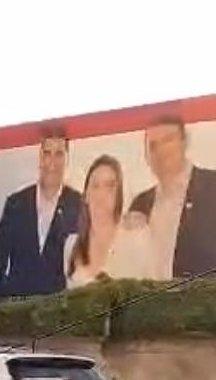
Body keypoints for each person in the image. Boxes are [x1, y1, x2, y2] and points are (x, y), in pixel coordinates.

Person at [0, 125, 82, 296]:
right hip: (20, 309)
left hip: (60, 310)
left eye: (59, 154)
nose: (52, 162)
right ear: (40, 157)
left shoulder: (78, 204)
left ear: (67, 159)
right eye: (47, 153)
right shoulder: (15, 204)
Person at [128, 114, 216, 279]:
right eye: (153, 146)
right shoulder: (140, 204)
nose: (161, 151)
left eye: (168, 140)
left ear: (185, 142)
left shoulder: (212, 188)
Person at [64, 155, 157, 287]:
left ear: (118, 195)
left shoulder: (137, 240)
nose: (101, 194)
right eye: (95, 186)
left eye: (110, 186)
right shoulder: (70, 246)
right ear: (86, 196)